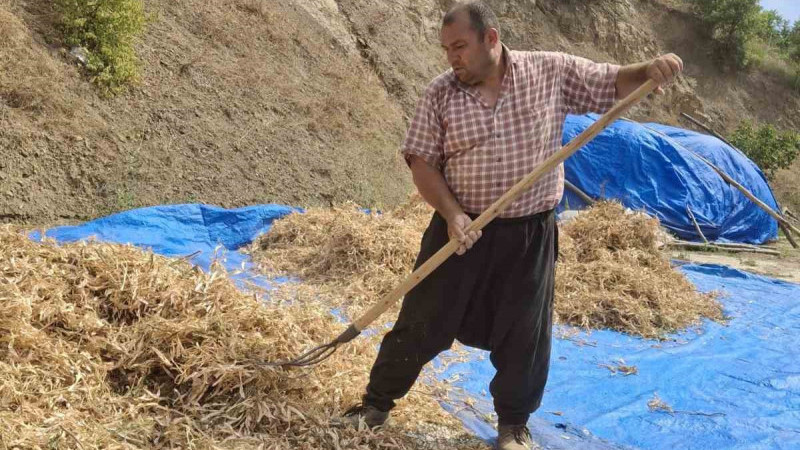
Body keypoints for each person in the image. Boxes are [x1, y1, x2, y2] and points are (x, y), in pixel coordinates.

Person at [333, 2, 683, 449]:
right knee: (421, 320)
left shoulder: (549, 72)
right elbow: (422, 162)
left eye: (460, 46)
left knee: (525, 334)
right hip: (461, 230)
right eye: (446, 49)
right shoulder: (440, 94)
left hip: (527, 232)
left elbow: (610, 80)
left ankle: (513, 427)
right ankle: (376, 404)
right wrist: (453, 214)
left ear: (491, 39)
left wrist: (649, 68)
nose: (452, 58)